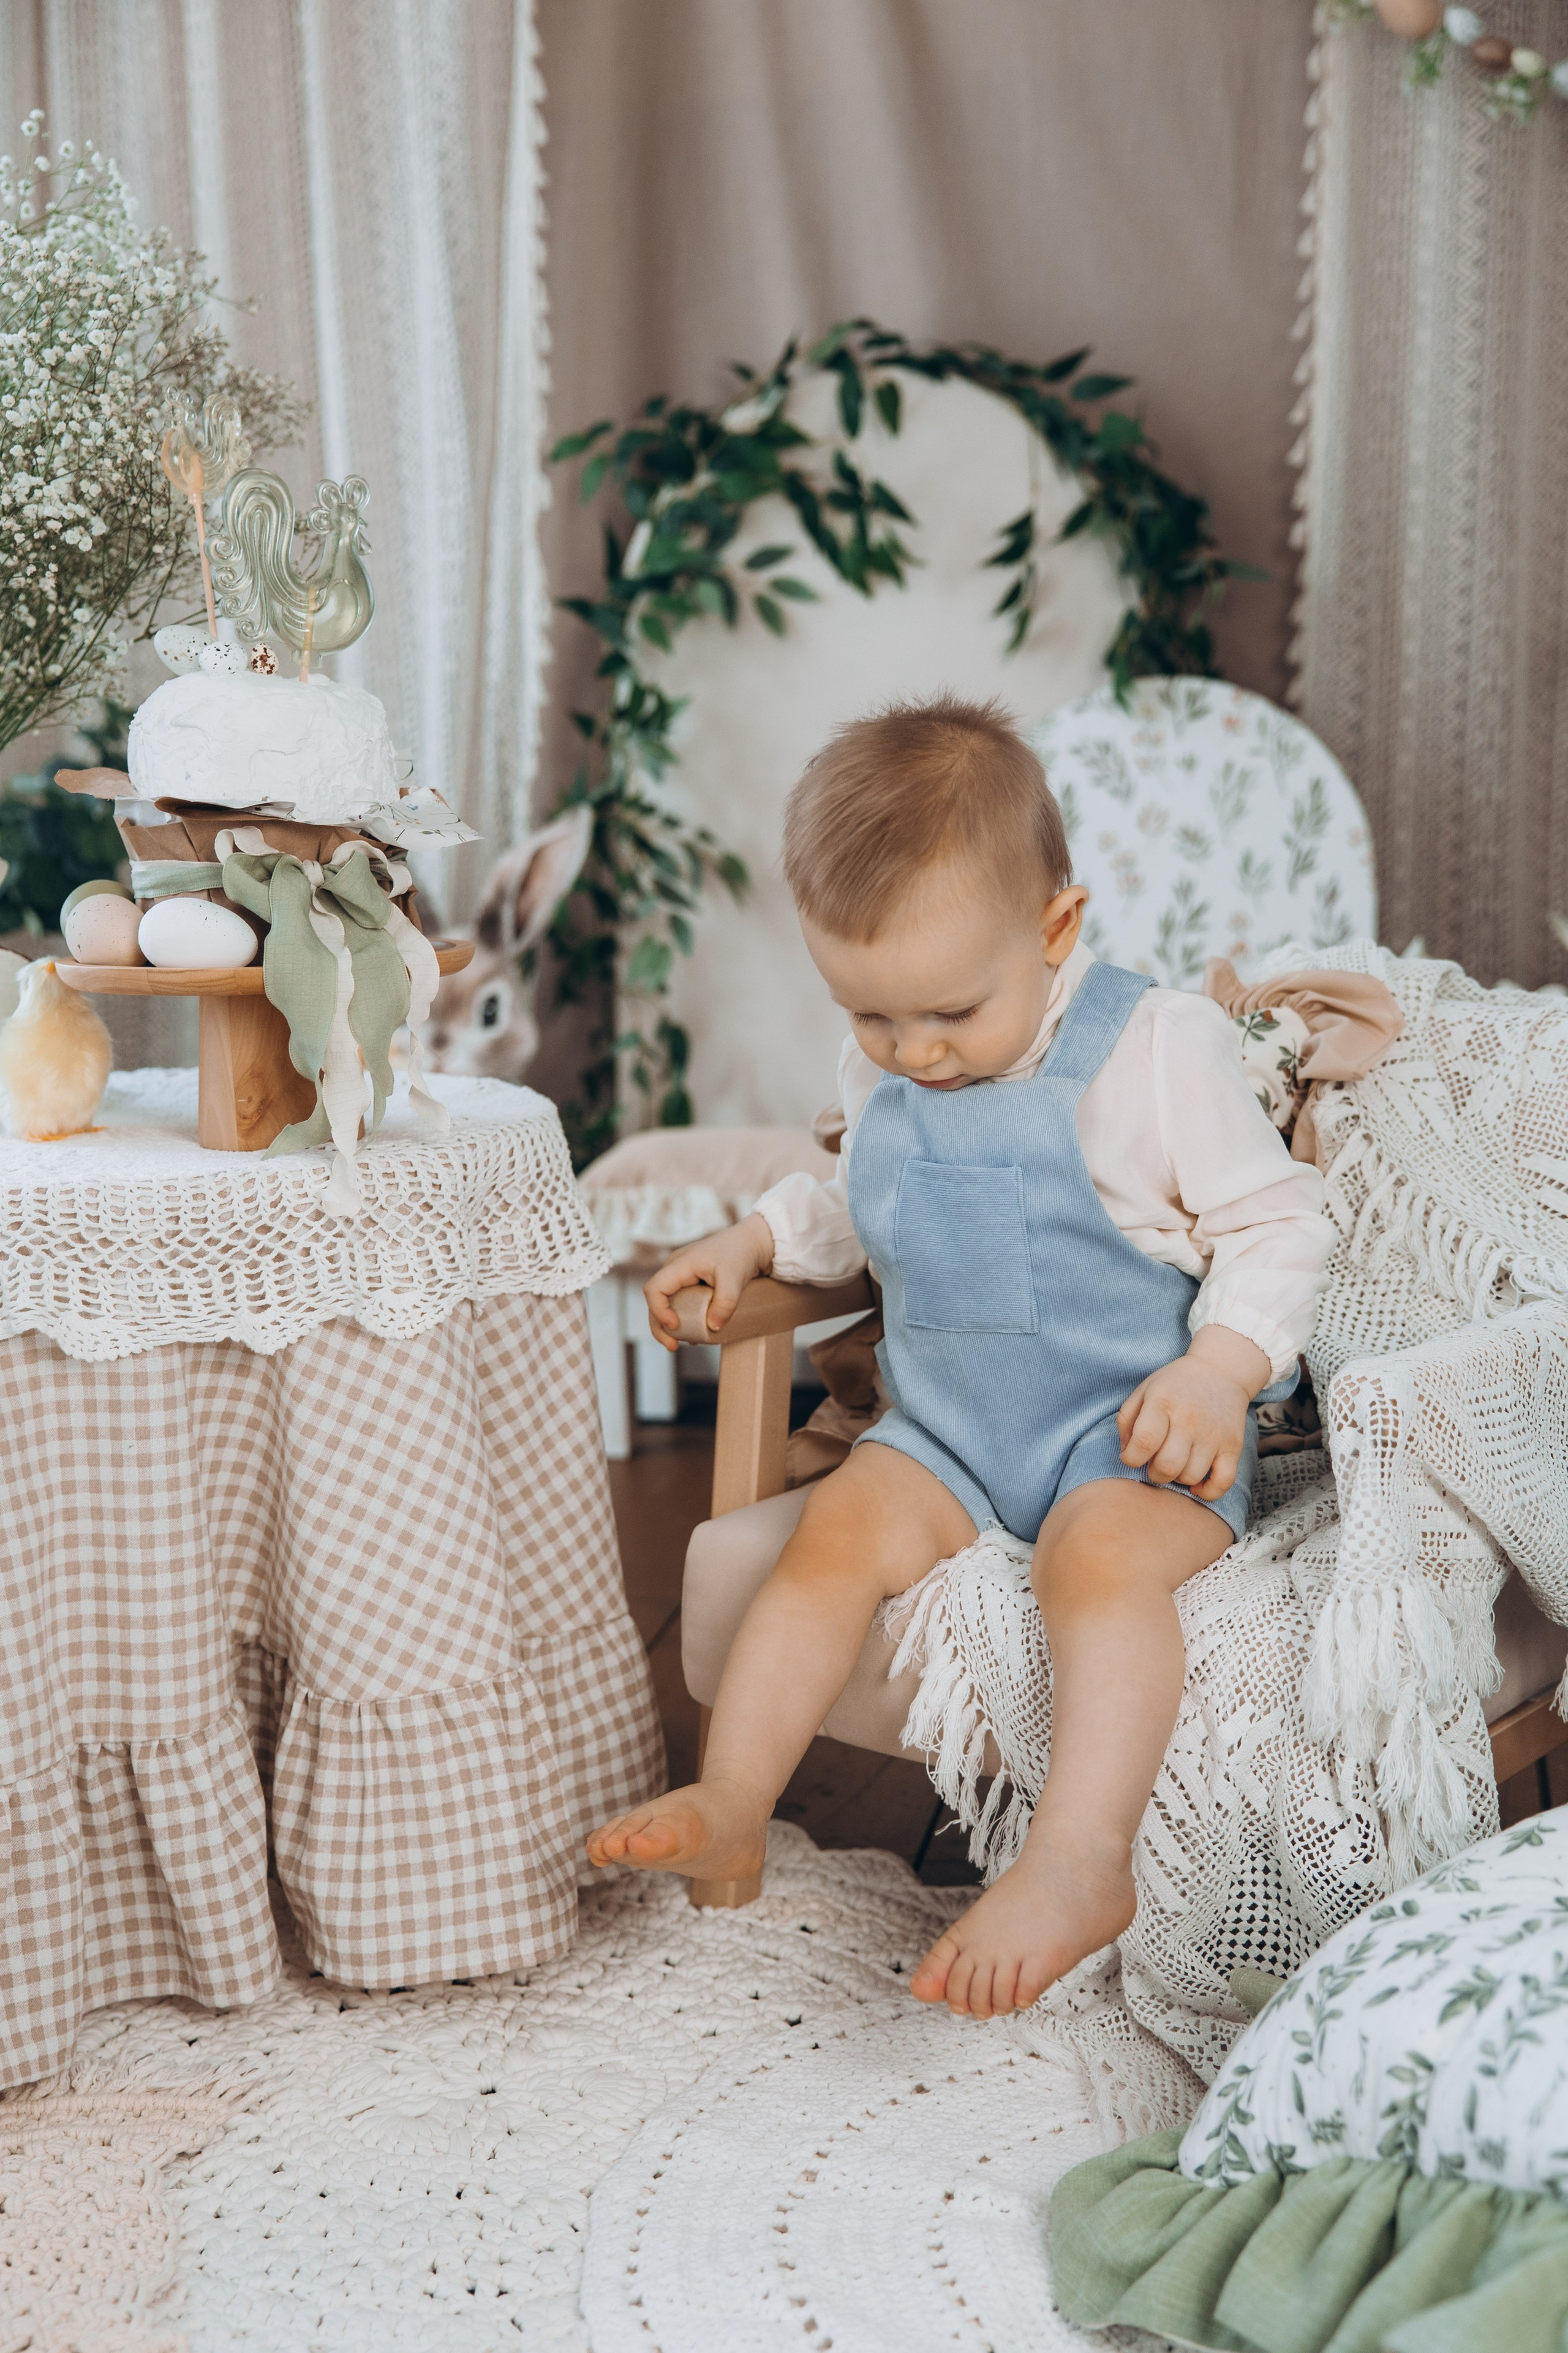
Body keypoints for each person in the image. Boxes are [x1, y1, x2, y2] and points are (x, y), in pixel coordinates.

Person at [587, 695, 1334, 2022]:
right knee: (829, 1543)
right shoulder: (885, 1065)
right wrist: (758, 1238)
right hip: (944, 1434)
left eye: (945, 1014)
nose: (911, 1054)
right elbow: (861, 1201)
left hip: (1124, 1440)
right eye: (870, 1018)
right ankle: (735, 1799)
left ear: (1054, 930)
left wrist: (1217, 1369)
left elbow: (1276, 1221)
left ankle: (1074, 1862)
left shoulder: (1152, 1049)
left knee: (1091, 1560)